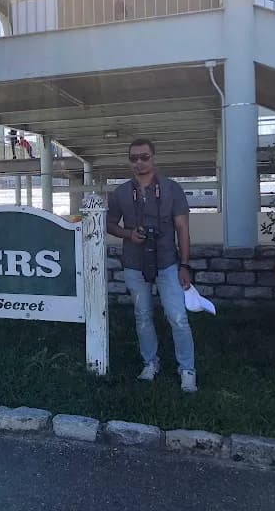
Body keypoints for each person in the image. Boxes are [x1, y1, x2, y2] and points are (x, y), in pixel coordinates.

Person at [106, 138, 197, 393]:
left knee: (177, 317)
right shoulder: (121, 192)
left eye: (144, 157)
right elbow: (110, 223)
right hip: (135, 263)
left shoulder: (171, 189)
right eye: (134, 158)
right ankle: (150, 363)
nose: (139, 163)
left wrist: (185, 265)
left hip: (167, 261)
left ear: (154, 158)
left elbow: (183, 229)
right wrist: (128, 235)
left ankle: (187, 369)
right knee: (142, 316)